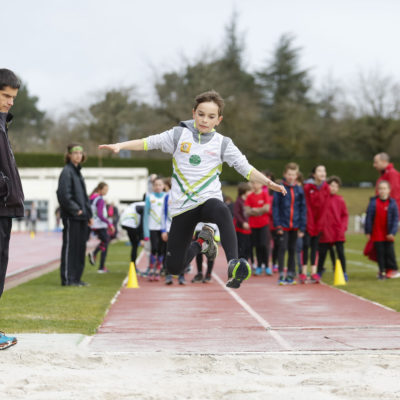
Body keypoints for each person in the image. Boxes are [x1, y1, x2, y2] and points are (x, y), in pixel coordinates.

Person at [99, 90, 286, 289]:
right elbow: (148, 142)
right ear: (193, 112)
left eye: (211, 116)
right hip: (182, 208)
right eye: (201, 114)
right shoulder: (178, 135)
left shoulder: (223, 144)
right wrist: (120, 145)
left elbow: (246, 169)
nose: (205, 120)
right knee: (173, 267)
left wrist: (269, 183)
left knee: (221, 209)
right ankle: (202, 243)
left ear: (218, 120)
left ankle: (234, 262)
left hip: (207, 201)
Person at [0, 68, 22, 350]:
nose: (10, 102)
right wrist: (4, 187)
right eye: (6, 96)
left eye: (13, 97)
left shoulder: (3, 123)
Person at [57, 143, 93, 286]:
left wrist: (88, 215)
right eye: (75, 153)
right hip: (72, 217)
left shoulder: (78, 173)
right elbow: (63, 195)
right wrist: (76, 209)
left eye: (80, 152)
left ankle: (76, 278)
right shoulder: (67, 171)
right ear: (69, 155)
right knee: (70, 248)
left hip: (82, 217)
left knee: (80, 249)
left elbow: (84, 197)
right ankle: (67, 279)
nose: (78, 155)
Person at [273, 163, 306, 285]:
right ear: (284, 174)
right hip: (283, 225)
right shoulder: (280, 189)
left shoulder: (299, 190)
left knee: (293, 249)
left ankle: (291, 273)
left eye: (293, 174)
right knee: (282, 248)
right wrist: (278, 225)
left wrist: (302, 227)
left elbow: (303, 209)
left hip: (295, 226)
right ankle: (281, 273)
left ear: (297, 175)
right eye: (289, 174)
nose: (291, 176)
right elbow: (275, 207)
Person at [365, 180, 400, 280]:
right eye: (380, 189)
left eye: (385, 188)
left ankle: (392, 270)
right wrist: (368, 231)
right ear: (377, 190)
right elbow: (369, 217)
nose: (382, 191)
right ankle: (382, 272)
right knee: (379, 253)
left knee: (389, 252)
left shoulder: (392, 203)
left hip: (388, 233)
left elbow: (395, 219)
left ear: (389, 190)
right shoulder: (373, 203)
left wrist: (392, 232)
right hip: (377, 233)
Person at [317, 176, 349, 281]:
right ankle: (319, 271)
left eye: (336, 186)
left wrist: (343, 228)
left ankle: (343, 272)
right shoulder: (322, 198)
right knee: (322, 254)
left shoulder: (340, 200)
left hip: (337, 232)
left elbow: (345, 215)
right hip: (325, 232)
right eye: (331, 185)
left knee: (340, 253)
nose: (333, 188)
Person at [302, 165, 330, 283]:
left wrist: (320, 223)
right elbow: (306, 205)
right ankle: (303, 272)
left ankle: (313, 272)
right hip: (309, 221)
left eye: (324, 170)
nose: (322, 173)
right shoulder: (308, 187)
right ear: (314, 174)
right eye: (319, 171)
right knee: (306, 245)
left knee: (315, 247)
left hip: (319, 222)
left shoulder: (326, 188)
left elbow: (325, 207)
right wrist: (309, 222)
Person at [245, 180, 271, 276]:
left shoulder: (264, 194)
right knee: (257, 246)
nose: (255, 184)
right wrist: (260, 210)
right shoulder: (250, 196)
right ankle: (259, 266)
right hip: (253, 225)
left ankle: (267, 266)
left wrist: (255, 210)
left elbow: (267, 208)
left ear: (261, 184)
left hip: (264, 224)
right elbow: (247, 211)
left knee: (264, 245)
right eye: (254, 183)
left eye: (257, 183)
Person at [143, 176, 167, 281]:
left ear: (163, 186)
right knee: (154, 249)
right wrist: (146, 233)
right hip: (152, 228)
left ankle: (158, 270)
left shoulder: (167, 197)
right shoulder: (149, 197)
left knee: (162, 250)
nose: (158, 187)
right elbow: (145, 216)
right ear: (153, 186)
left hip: (163, 229)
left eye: (160, 185)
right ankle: (152, 269)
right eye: (156, 185)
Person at [88, 182, 115, 273]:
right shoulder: (99, 199)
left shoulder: (92, 197)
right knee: (106, 242)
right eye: (105, 190)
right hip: (99, 224)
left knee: (105, 242)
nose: (106, 192)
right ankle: (100, 264)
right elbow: (100, 214)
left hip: (93, 224)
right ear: (100, 189)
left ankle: (100, 263)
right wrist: (109, 224)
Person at [120, 200, 145, 272]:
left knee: (134, 244)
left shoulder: (137, 204)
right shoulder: (145, 206)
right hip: (130, 224)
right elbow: (142, 223)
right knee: (135, 245)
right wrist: (142, 238)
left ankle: (133, 266)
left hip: (124, 223)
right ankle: (133, 267)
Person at [233, 182, 252, 262]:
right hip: (241, 228)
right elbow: (236, 213)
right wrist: (243, 222)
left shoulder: (249, 200)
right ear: (244, 191)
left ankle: (246, 262)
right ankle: (240, 263)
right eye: (249, 191)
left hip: (249, 229)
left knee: (248, 247)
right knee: (241, 247)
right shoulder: (239, 201)